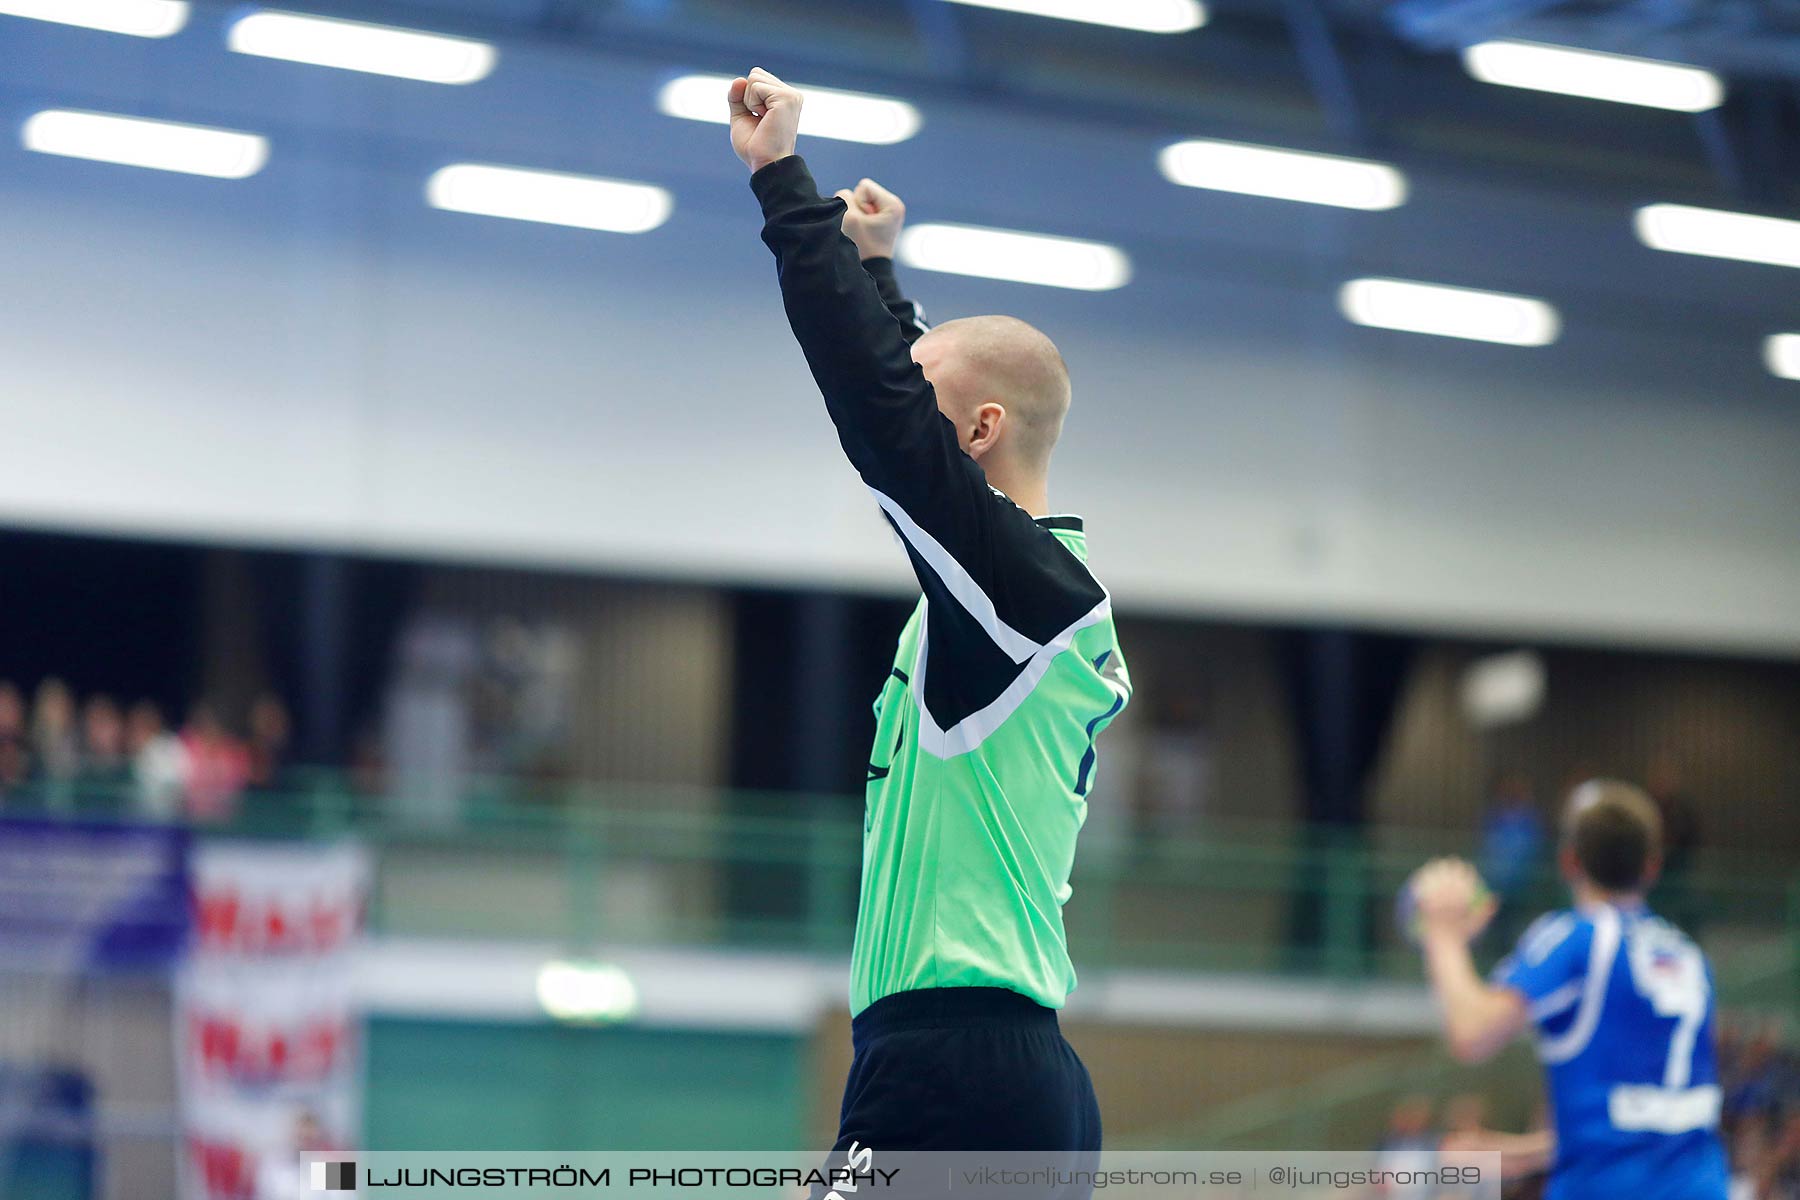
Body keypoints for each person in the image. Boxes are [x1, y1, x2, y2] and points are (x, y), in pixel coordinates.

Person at [729, 68, 1131, 1163]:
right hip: (994, 1076)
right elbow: (921, 402)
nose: (909, 390)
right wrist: (876, 269)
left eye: (930, 391)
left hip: (955, 1071)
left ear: (983, 427)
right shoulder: (1017, 595)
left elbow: (881, 406)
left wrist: (783, 182)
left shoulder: (1025, 598)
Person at [1408, 780, 1729, 1200]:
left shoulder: (1578, 938)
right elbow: (1648, 1116)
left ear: (1568, 862)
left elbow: (1471, 1034)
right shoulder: (1689, 958)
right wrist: (1521, 1154)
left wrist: (1442, 933)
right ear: (1652, 866)